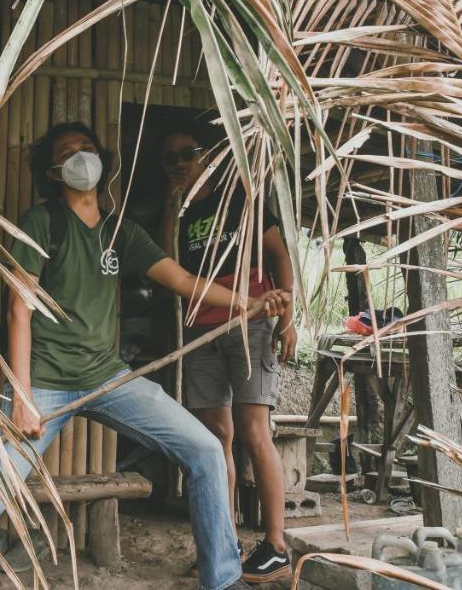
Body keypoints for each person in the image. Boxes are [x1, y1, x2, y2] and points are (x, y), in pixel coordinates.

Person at [0, 122, 288, 590]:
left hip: (108, 378)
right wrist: (23, 396)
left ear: (102, 161)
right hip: (45, 382)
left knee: (207, 450)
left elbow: (186, 283)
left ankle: (224, 581)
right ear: (52, 171)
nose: (81, 158)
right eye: (68, 152)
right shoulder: (41, 222)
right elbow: (17, 310)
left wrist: (248, 304)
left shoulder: (119, 231)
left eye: (87, 149)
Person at [159, 122, 297, 584]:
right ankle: (226, 539)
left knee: (256, 432)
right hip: (201, 329)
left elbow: (280, 253)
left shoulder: (242, 202)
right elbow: (168, 262)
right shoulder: (179, 211)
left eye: (187, 153)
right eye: (170, 159)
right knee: (215, 439)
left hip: (250, 324)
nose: (180, 164)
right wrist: (171, 206)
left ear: (208, 158)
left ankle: (276, 544)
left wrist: (288, 316)